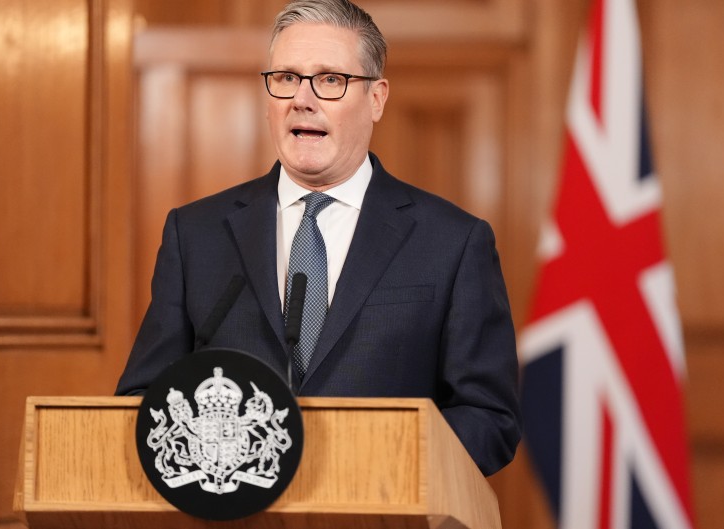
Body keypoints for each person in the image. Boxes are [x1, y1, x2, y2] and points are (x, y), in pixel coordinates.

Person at [115, 0, 521, 476]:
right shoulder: (196, 235)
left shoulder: (452, 243)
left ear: (377, 98)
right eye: (286, 78)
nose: (301, 99)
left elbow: (489, 418)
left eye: (330, 80)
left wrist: (376, 460)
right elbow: (142, 400)